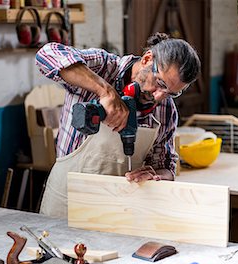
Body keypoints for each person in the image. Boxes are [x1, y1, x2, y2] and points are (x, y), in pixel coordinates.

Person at [35, 32, 201, 218]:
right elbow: (47, 53)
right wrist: (105, 91)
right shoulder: (104, 68)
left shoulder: (166, 111)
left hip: (120, 211)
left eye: (171, 93)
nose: (159, 97)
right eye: (160, 83)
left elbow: (167, 168)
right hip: (65, 202)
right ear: (147, 59)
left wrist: (156, 175)